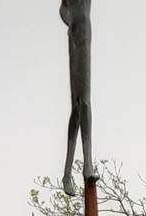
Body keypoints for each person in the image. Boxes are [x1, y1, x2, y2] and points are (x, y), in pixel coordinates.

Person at [60, 0, 94, 197]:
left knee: (85, 102)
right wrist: (70, 22)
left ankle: (87, 163)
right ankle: (67, 173)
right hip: (74, 35)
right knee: (77, 105)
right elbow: (63, 9)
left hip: (85, 35)